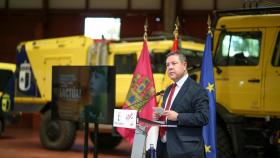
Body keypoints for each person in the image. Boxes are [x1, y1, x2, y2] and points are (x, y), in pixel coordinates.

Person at [154, 52, 209, 158]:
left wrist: (178, 117)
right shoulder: (168, 89)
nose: (170, 67)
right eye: (167, 65)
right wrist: (161, 116)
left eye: (174, 63)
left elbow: (203, 117)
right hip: (164, 147)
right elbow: (169, 116)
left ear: (184, 65)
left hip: (185, 150)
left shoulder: (197, 90)